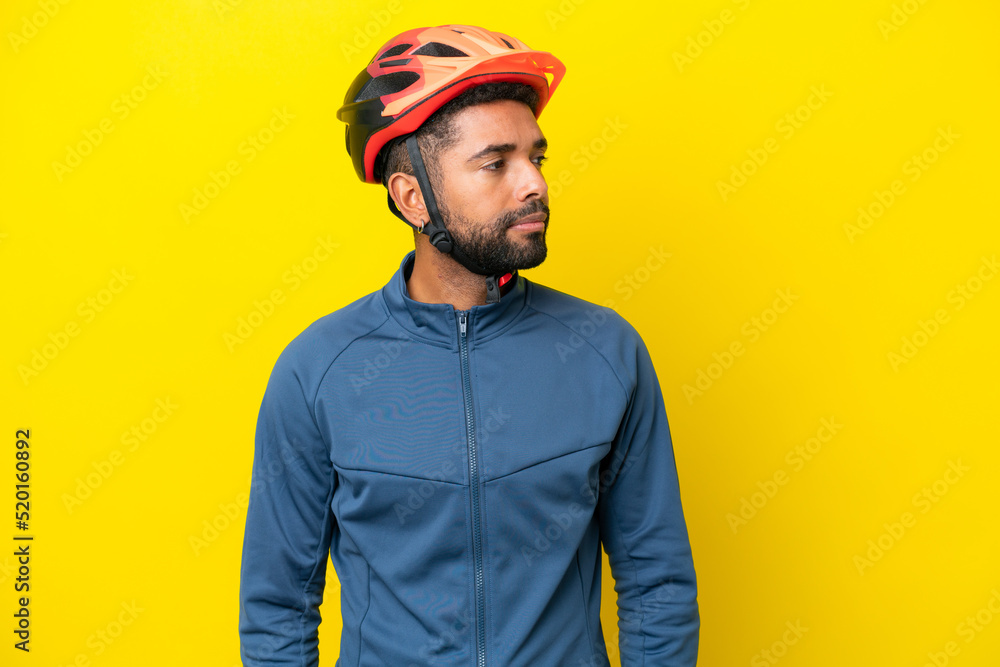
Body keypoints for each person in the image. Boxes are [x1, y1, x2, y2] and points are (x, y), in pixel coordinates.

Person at [238, 23, 699, 666]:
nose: (533, 183)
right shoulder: (319, 371)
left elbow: (657, 583)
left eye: (535, 158)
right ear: (412, 198)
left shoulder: (606, 352)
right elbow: (278, 606)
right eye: (495, 162)